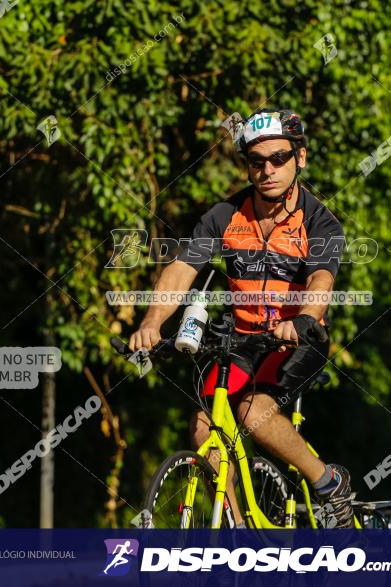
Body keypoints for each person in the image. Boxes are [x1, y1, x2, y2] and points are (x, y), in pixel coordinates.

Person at [128, 108, 354, 528]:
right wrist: (151, 323)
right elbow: (181, 269)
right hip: (244, 340)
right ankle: (233, 527)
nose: (267, 169)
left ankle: (328, 483)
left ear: (299, 158)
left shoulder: (319, 221)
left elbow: (322, 279)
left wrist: (304, 318)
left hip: (297, 340)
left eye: (279, 158)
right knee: (203, 425)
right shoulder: (225, 215)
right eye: (256, 162)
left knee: (253, 411)